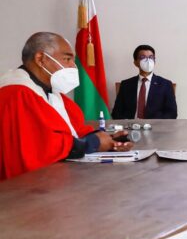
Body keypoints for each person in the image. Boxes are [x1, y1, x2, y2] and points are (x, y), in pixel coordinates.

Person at [0, 32, 133, 181]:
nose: (73, 66)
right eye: (67, 59)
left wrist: (108, 139)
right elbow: (39, 148)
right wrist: (93, 143)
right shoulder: (17, 93)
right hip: (25, 187)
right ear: (41, 59)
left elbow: (73, 131)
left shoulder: (51, 92)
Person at [112, 44, 177, 120]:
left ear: (154, 61)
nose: (148, 61)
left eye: (151, 57)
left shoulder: (165, 84)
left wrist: (154, 123)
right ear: (135, 63)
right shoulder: (126, 84)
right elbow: (116, 112)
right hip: (130, 125)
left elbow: (172, 113)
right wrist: (128, 122)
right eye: (143, 57)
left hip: (155, 126)